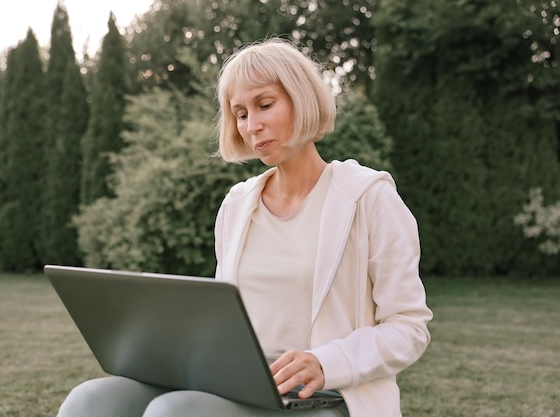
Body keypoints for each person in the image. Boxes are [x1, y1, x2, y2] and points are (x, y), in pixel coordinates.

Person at [56, 37, 432, 417]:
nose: (252, 125)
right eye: (240, 114)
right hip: (236, 384)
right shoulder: (237, 204)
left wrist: (325, 362)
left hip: (322, 398)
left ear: (301, 99)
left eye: (265, 105)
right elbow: (226, 318)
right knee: (91, 400)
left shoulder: (369, 197)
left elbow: (409, 328)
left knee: (175, 412)